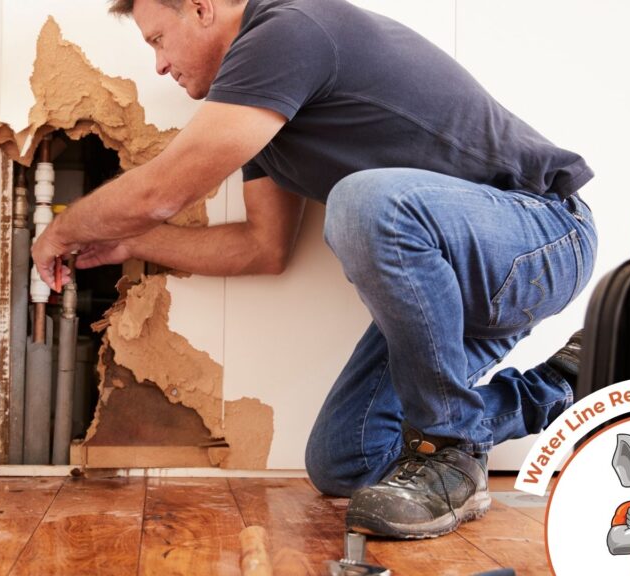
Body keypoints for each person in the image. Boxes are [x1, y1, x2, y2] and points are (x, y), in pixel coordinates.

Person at [32, 0, 597, 539]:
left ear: (202, 9)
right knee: (346, 459)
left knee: (364, 202)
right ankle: (563, 385)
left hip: (541, 237)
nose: (158, 64)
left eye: (158, 39)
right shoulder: (260, 115)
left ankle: (450, 454)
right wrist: (129, 243)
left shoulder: (289, 30)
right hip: (446, 285)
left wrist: (66, 229)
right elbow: (262, 247)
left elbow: (164, 189)